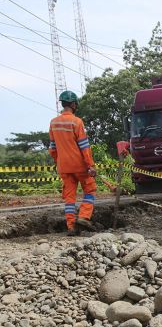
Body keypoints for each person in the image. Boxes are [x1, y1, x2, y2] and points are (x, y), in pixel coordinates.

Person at [48, 90, 97, 236]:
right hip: (80, 166)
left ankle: (71, 227)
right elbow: (84, 146)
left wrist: (60, 162)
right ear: (74, 104)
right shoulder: (76, 122)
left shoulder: (53, 122)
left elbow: (52, 148)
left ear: (62, 104)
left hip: (64, 167)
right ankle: (83, 217)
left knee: (69, 198)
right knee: (90, 190)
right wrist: (91, 165)